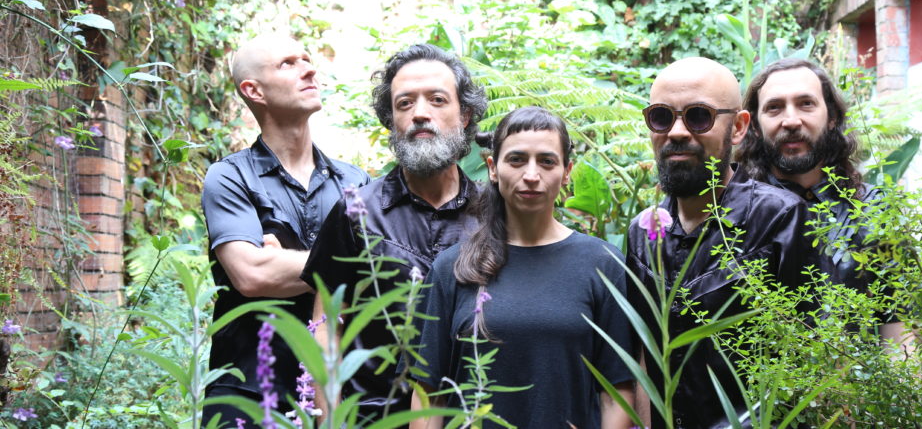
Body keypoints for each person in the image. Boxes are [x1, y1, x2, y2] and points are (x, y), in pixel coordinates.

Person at [410, 106, 635, 429]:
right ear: (493, 168)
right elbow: (429, 395)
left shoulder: (603, 265)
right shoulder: (452, 268)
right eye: (516, 160)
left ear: (567, 172)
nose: (531, 175)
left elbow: (616, 394)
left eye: (547, 161)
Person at [302, 43, 488, 419]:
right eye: (404, 103)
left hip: (471, 416)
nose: (420, 113)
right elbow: (325, 329)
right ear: (391, 120)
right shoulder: (355, 213)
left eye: (437, 100)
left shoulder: (494, 217)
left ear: (465, 114)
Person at [625, 57, 813, 429]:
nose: (677, 132)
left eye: (699, 116)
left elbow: (806, 361)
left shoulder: (780, 219)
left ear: (738, 127)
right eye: (661, 117)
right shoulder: (643, 232)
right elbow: (642, 358)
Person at [200, 35, 370, 425]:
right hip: (246, 396)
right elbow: (252, 274)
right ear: (253, 90)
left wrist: (286, 262)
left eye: (307, 60)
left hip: (339, 394)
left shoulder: (356, 183)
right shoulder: (230, 178)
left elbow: (380, 275)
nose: (309, 70)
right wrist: (347, 263)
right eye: (288, 64)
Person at [736, 57, 904, 340]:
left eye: (806, 104)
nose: (791, 121)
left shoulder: (876, 210)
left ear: (832, 117)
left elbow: (900, 330)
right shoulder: (733, 215)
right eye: (774, 107)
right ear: (754, 126)